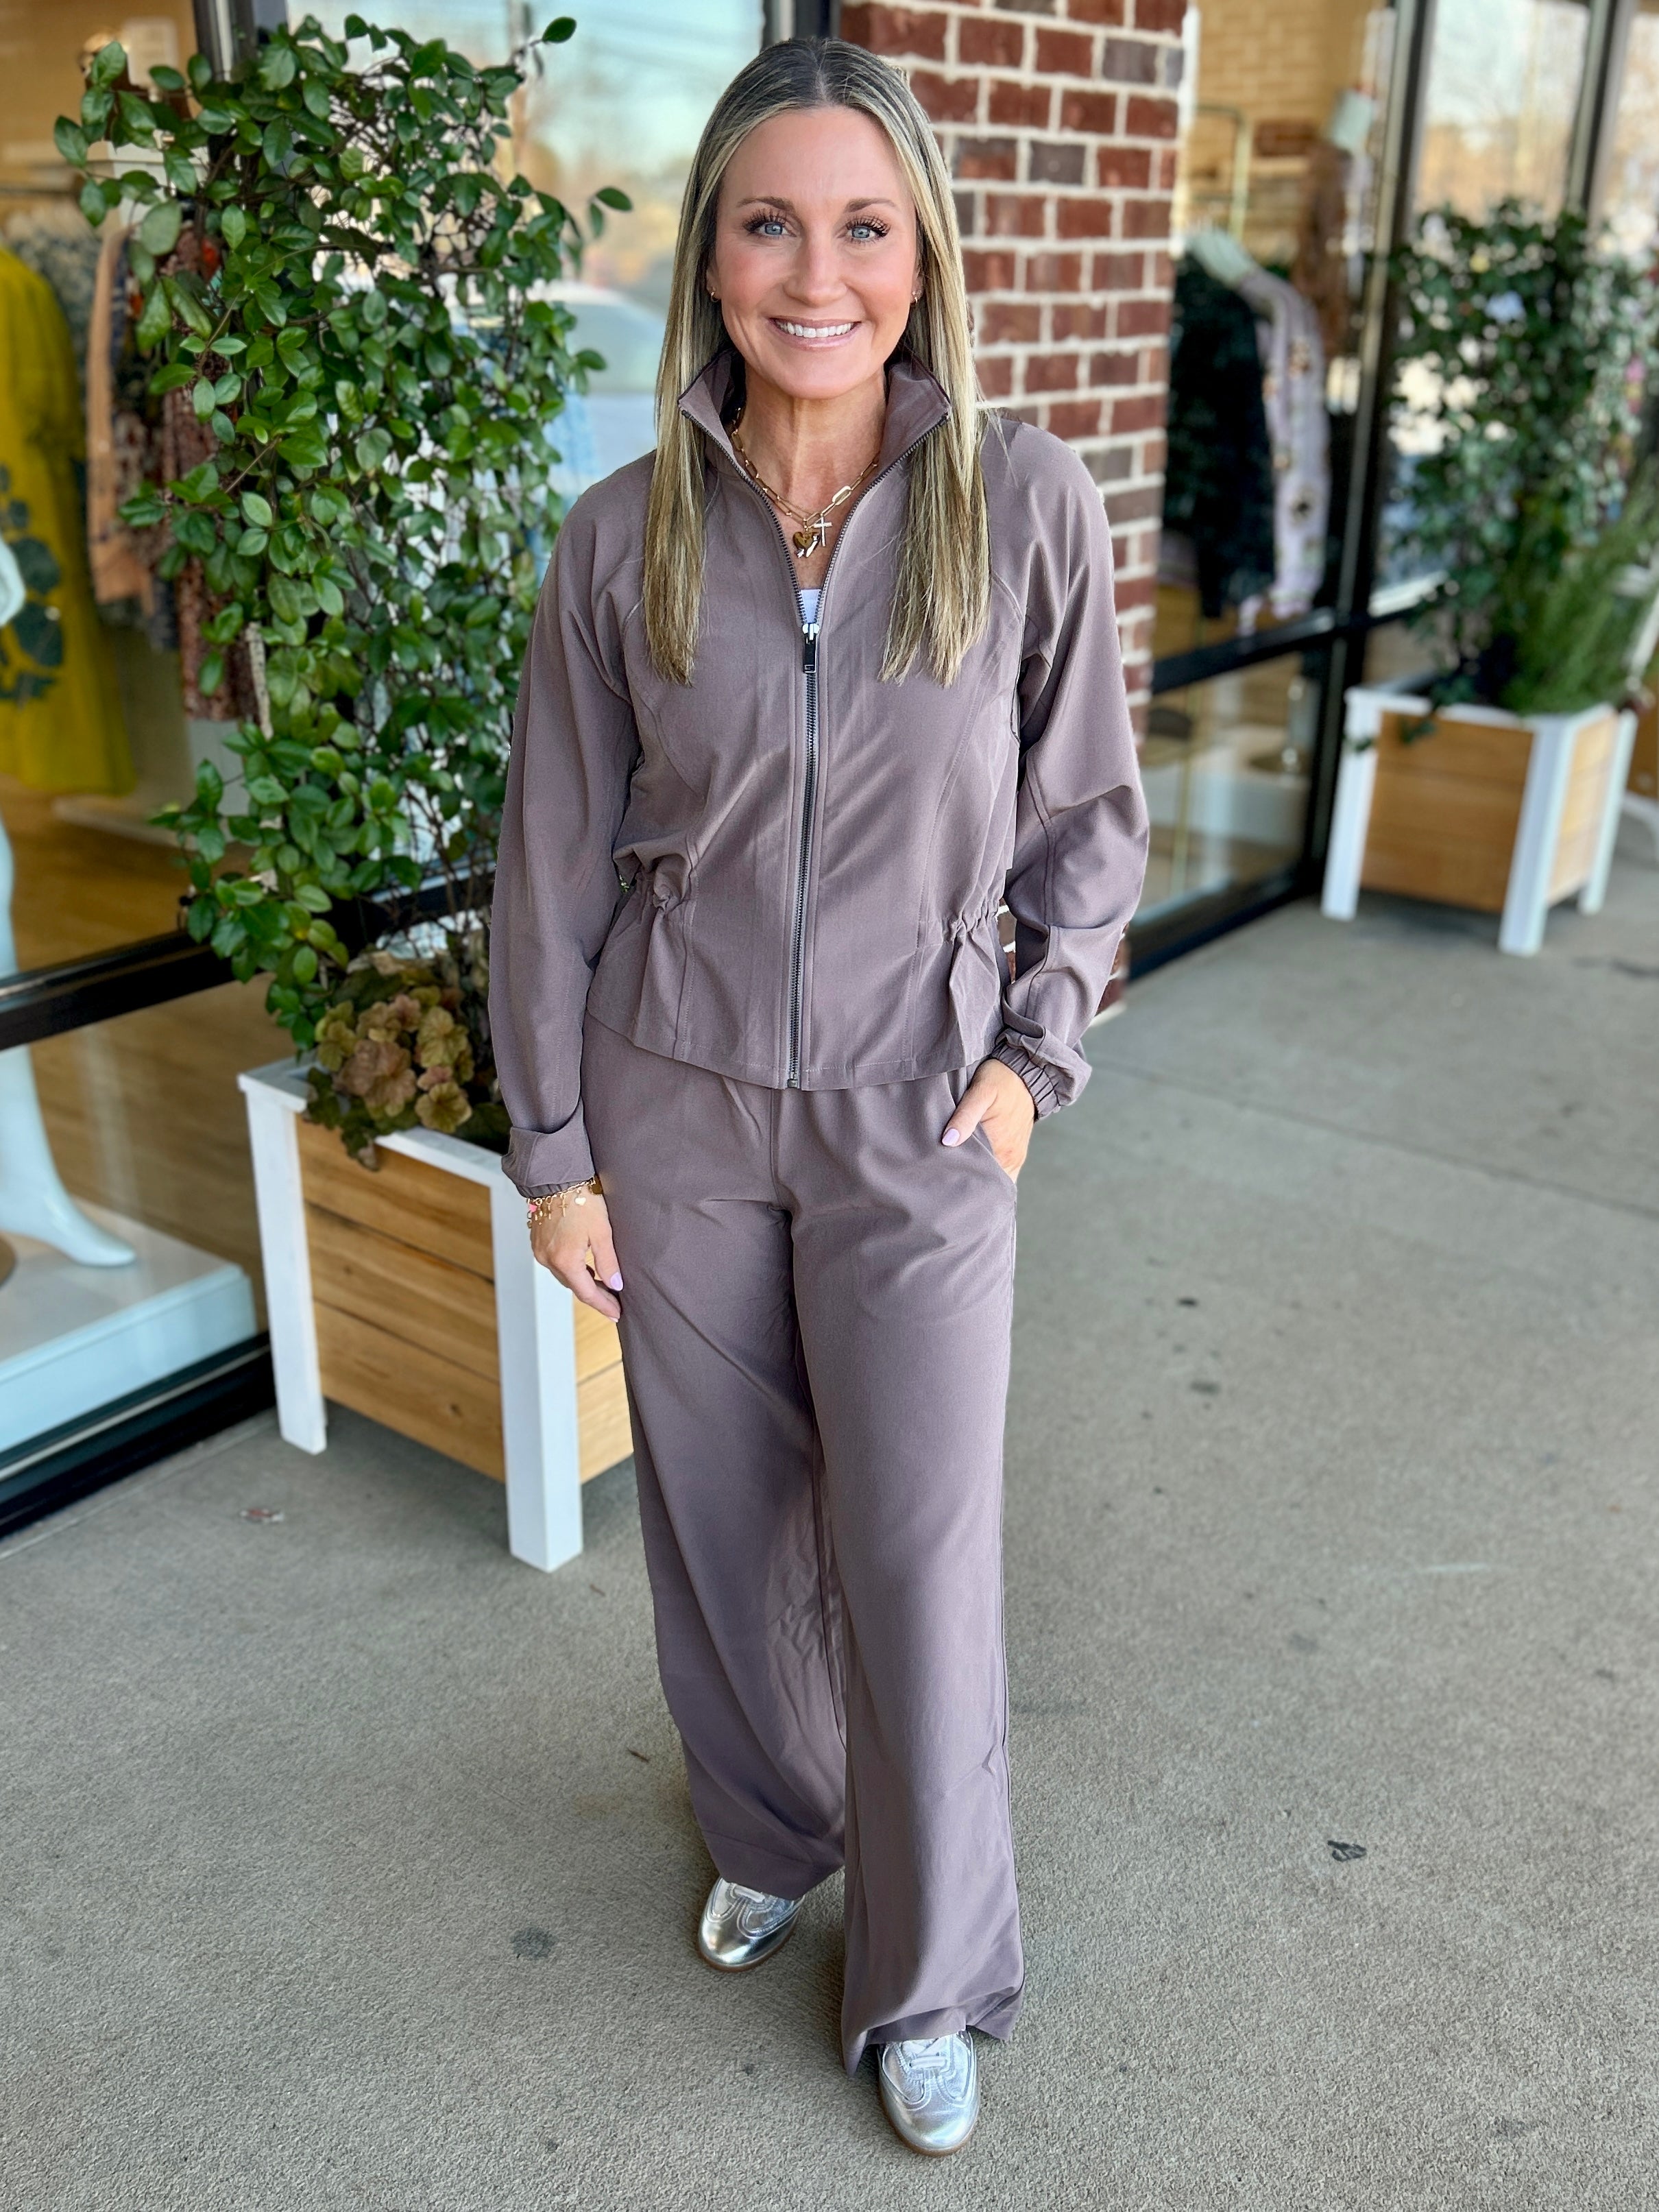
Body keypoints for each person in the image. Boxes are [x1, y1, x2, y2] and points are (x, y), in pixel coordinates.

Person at [488, 36, 1148, 2157]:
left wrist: (1028, 1062)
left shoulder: (1018, 504)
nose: (815, 274)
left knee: (914, 1549)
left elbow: (1088, 822)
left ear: (921, 257)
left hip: (915, 1118)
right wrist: (555, 1152)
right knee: (718, 1527)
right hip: (670, 1107)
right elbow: (553, 864)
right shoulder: (619, 538)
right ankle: (775, 1827)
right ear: (707, 256)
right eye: (768, 223)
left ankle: (929, 1967)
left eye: (864, 227)